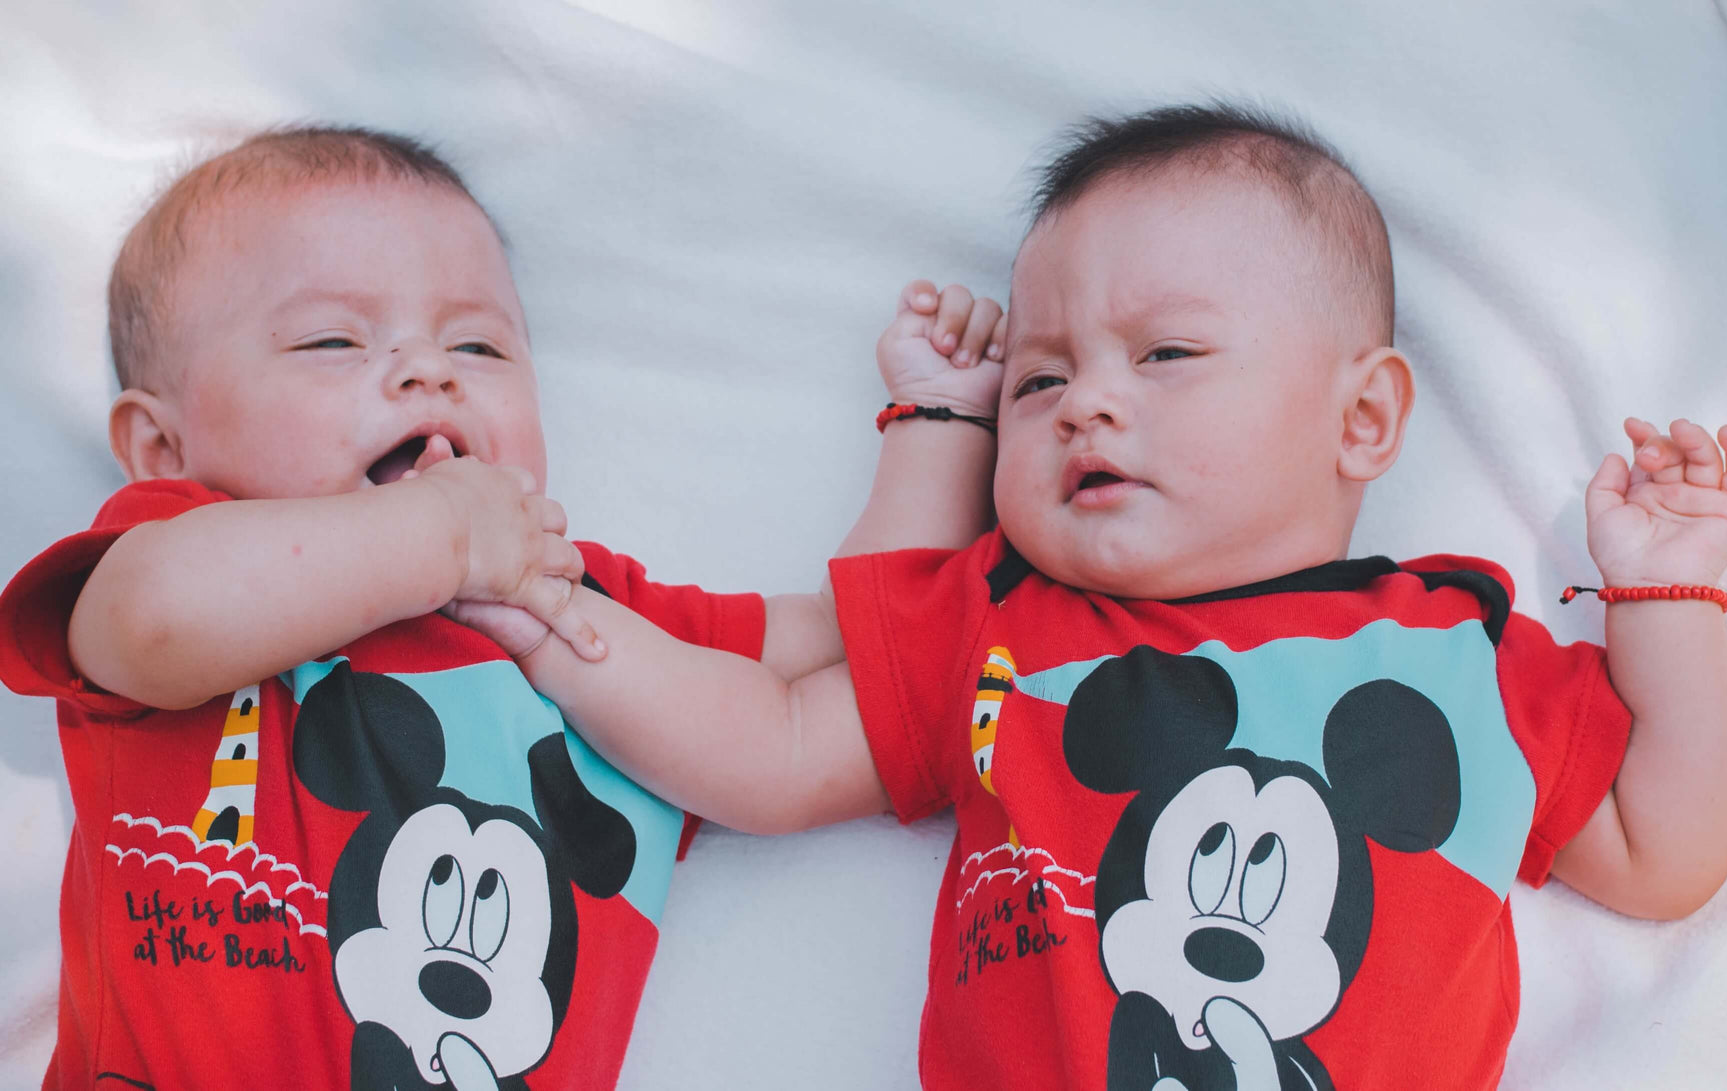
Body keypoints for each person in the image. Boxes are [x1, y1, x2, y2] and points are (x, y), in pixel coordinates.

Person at [464, 104, 1727, 1089]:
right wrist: (561, 630)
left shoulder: (1457, 656)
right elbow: (774, 751)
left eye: (1169, 354)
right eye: (1038, 379)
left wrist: (1664, 594)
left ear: (1362, 416)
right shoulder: (1010, 630)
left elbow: (1664, 851)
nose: (1088, 398)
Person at [0, 124, 1004, 1090]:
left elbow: (844, 642)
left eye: (478, 348)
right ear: (162, 447)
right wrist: (440, 538)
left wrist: (939, 423)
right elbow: (151, 621)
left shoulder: (571, 598)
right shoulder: (179, 545)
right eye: (331, 339)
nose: (427, 370)